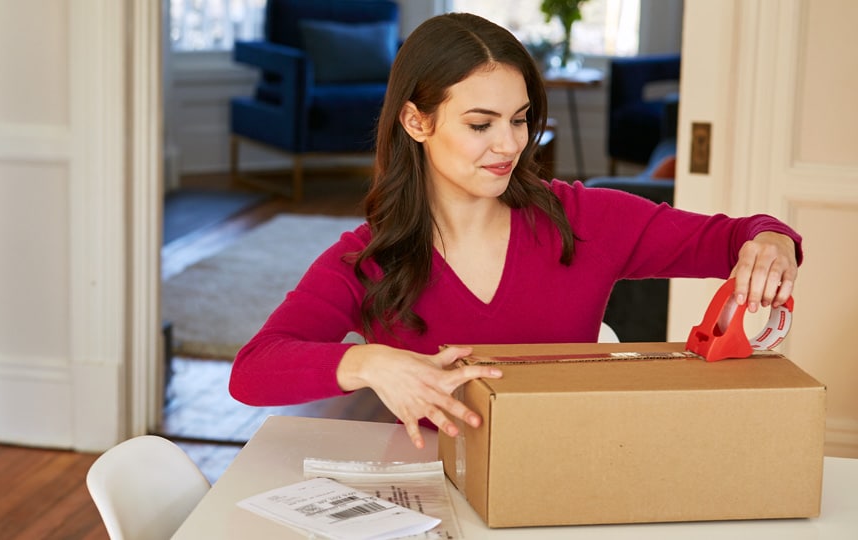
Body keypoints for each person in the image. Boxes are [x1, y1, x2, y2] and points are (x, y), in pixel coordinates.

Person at [229, 13, 802, 449]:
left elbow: (738, 236)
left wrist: (773, 242)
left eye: (520, 119)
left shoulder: (584, 220)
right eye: (481, 124)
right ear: (416, 122)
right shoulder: (369, 258)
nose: (510, 145)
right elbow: (252, 371)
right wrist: (368, 363)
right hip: (438, 495)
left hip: (574, 477)